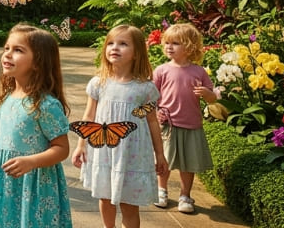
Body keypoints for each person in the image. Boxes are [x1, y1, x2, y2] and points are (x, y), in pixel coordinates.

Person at [0, 24, 72, 227]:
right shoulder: (8, 98)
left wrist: (31, 162)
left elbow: (62, 148)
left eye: (18, 50)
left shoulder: (45, 105)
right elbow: (8, 133)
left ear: (38, 63)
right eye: (7, 48)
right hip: (7, 182)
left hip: (34, 184)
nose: (7, 54)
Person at [71, 24, 168, 228]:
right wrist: (81, 145)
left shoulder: (145, 88)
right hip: (104, 152)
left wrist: (159, 154)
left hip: (133, 155)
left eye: (123, 44)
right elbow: (89, 116)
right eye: (111, 43)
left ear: (136, 53)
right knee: (105, 198)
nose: (115, 47)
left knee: (129, 204)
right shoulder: (98, 83)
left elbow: (152, 121)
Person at [152, 23, 217, 214]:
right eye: (167, 43)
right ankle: (161, 191)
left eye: (175, 43)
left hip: (191, 124)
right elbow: (151, 96)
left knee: (188, 164)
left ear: (189, 47)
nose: (169, 47)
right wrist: (156, 111)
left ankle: (185, 195)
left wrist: (206, 93)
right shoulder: (162, 70)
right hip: (168, 125)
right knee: (164, 161)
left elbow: (212, 98)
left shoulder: (199, 72)